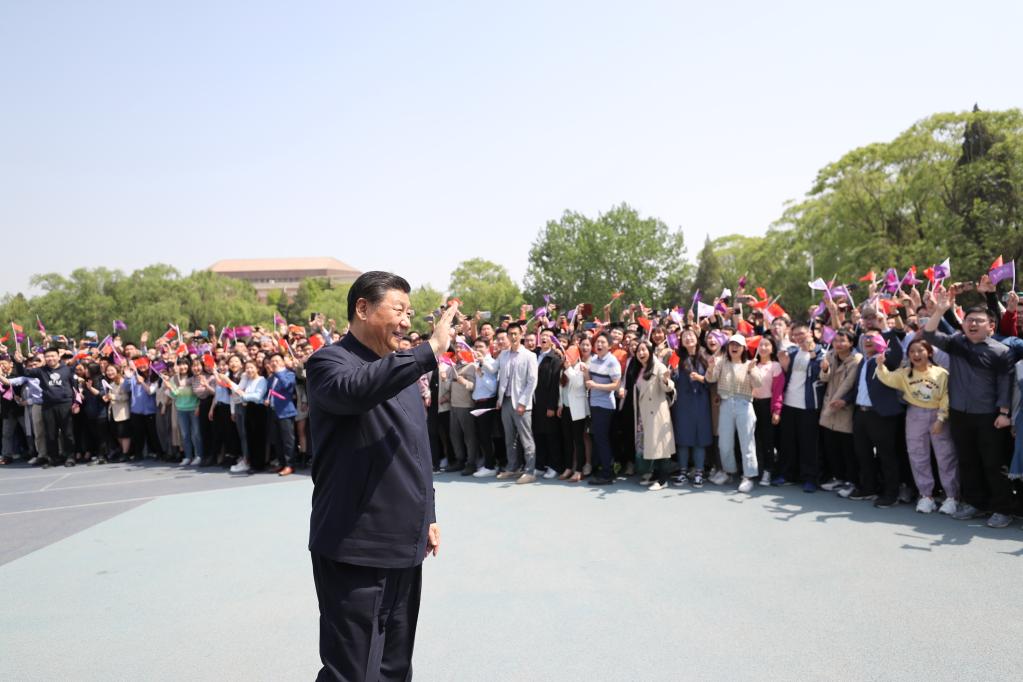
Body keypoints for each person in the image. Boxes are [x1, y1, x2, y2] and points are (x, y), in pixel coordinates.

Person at [305, 271, 455, 682]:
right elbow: (356, 391)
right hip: (355, 546)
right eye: (398, 310)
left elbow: (417, 449)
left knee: (394, 668)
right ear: (363, 308)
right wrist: (429, 350)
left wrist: (428, 514)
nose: (406, 321)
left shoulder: (401, 370)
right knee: (352, 672)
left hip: (404, 543)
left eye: (410, 312)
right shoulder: (329, 363)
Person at [924, 290, 1016, 527]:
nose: (972, 324)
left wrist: (1004, 413)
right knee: (967, 461)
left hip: (989, 416)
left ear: (991, 326)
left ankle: (1002, 509)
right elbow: (929, 334)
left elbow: (1005, 384)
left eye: (978, 321)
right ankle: (975, 504)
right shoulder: (956, 343)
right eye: (969, 320)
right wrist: (939, 311)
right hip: (959, 413)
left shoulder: (1001, 351)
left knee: (993, 464)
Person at [875, 338, 958, 514]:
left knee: (945, 456)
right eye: (912, 351)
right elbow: (887, 378)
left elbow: (946, 396)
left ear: (929, 352)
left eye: (920, 350)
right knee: (918, 455)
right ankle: (926, 496)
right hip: (914, 414)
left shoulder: (941, 373)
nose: (916, 354)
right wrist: (881, 365)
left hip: (937, 414)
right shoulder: (904, 373)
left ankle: (951, 497)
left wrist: (941, 419)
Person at [705, 334, 763, 493]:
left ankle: (748, 476)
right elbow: (710, 379)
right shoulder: (721, 362)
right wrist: (711, 366)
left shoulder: (750, 364)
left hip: (744, 405)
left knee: (747, 442)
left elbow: (758, 383)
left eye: (738, 345)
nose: (734, 347)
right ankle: (728, 472)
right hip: (725, 404)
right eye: (732, 344)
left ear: (744, 348)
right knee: (724, 443)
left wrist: (752, 370)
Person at [817, 330, 862, 493]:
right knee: (832, 447)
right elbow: (823, 379)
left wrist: (843, 401)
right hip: (829, 405)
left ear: (851, 343)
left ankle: (851, 481)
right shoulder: (829, 356)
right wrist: (825, 369)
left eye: (842, 340)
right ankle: (838, 478)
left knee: (847, 448)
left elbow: (852, 385)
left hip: (844, 407)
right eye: (836, 340)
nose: (838, 344)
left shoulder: (856, 360)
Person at [495, 322, 540, 484]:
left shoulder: (529, 356)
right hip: (506, 401)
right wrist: (481, 361)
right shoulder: (503, 355)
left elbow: (532, 381)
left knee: (526, 438)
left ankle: (530, 471)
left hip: (522, 403)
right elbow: (493, 369)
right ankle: (512, 467)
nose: (513, 337)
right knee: (509, 438)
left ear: (521, 335)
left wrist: (523, 403)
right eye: (510, 334)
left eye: (516, 334)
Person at [670, 328, 713, 487]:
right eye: (684, 336)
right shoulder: (676, 356)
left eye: (691, 335)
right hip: (683, 402)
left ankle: (699, 472)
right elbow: (673, 379)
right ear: (681, 341)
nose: (688, 338)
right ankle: (683, 471)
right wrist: (673, 372)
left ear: (697, 338)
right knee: (683, 437)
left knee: (699, 438)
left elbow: (713, 380)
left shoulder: (706, 356)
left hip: (701, 402)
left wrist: (702, 378)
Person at [632, 341, 676, 491]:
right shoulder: (640, 369)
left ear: (650, 351)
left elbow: (668, 387)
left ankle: (663, 480)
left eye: (644, 350)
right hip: (644, 412)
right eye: (638, 351)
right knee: (652, 445)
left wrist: (666, 380)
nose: (641, 353)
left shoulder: (659, 366)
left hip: (657, 411)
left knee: (661, 446)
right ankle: (656, 474)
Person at [583, 333, 622, 485]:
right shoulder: (593, 360)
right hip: (594, 404)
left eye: (603, 342)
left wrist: (596, 385)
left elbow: (616, 385)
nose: (599, 345)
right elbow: (589, 383)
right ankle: (604, 469)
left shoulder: (612, 362)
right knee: (599, 438)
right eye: (597, 342)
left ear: (610, 346)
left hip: (605, 406)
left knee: (602, 438)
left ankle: (607, 473)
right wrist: (586, 373)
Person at [266, 352, 297, 476]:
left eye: (277, 360)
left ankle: (290, 465)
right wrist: (266, 399)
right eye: (272, 361)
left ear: (283, 362)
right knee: (277, 439)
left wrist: (279, 372)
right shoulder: (271, 377)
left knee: (288, 440)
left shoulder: (290, 374)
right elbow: (269, 392)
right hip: (273, 411)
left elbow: (288, 387)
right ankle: (281, 463)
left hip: (286, 412)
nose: (274, 363)